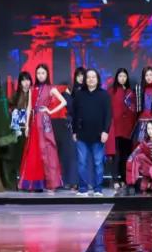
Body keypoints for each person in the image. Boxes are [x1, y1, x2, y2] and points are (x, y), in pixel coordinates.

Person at [18, 64, 65, 193]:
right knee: (34, 152)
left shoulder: (51, 88)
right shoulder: (32, 88)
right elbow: (29, 108)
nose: (40, 75)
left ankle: (51, 182)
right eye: (38, 73)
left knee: (48, 150)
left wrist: (50, 111)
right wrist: (26, 125)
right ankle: (35, 183)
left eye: (43, 73)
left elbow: (64, 102)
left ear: (47, 74)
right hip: (34, 122)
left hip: (44, 122)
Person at [70, 68, 112, 196]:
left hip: (98, 135)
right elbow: (74, 114)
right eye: (88, 77)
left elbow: (108, 115)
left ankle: (98, 189)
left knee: (98, 162)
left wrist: (106, 131)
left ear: (98, 79)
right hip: (81, 134)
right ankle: (83, 188)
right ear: (85, 79)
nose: (91, 79)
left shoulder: (104, 95)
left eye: (93, 77)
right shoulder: (79, 94)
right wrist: (74, 131)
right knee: (82, 162)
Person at [106, 69, 135, 193]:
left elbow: (133, 109)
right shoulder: (111, 91)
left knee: (125, 155)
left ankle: (124, 178)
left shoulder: (130, 92)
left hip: (127, 129)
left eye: (124, 76)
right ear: (116, 77)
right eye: (120, 76)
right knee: (115, 155)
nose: (122, 78)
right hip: (115, 128)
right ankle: (115, 179)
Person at [7, 72, 32, 189]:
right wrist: (13, 112)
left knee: (29, 155)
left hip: (31, 127)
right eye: (23, 80)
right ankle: (17, 180)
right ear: (20, 82)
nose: (26, 82)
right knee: (18, 154)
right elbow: (8, 105)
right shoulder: (16, 95)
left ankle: (28, 180)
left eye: (28, 80)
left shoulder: (33, 93)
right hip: (18, 129)